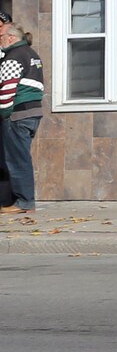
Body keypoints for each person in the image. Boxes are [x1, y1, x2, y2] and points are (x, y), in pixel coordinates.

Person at [0, 13, 46, 220]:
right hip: (33, 112)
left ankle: (24, 202)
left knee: (17, 159)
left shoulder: (13, 57)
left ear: (10, 37)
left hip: (17, 114)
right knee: (21, 157)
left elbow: (6, 90)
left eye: (0, 37)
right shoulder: (31, 53)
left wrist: (4, 114)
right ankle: (23, 200)